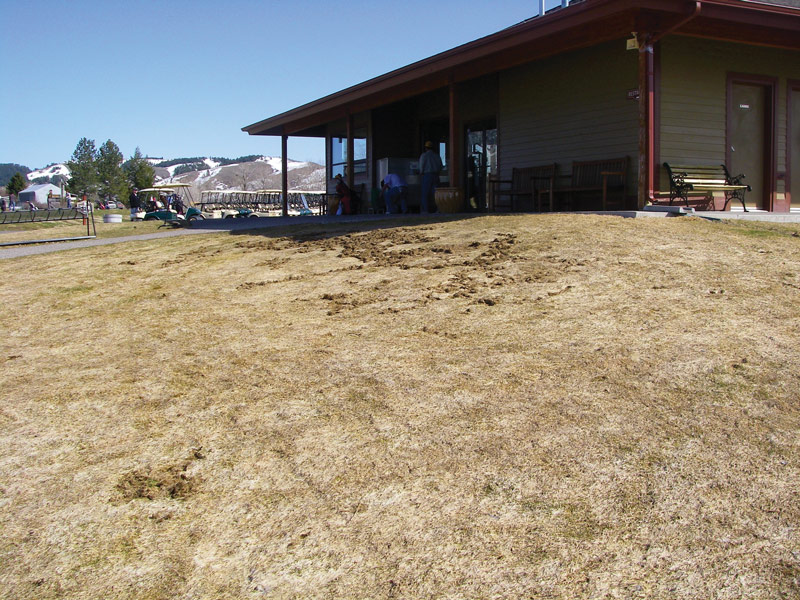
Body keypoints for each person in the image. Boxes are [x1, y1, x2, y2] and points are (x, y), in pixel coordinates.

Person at [419, 140, 443, 213]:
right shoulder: (437, 156)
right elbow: (441, 166)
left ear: (426, 148)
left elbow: (421, 165)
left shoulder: (424, 155)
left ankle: (425, 210)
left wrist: (421, 172)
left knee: (425, 194)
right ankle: (438, 209)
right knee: (436, 194)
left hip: (427, 175)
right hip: (436, 175)